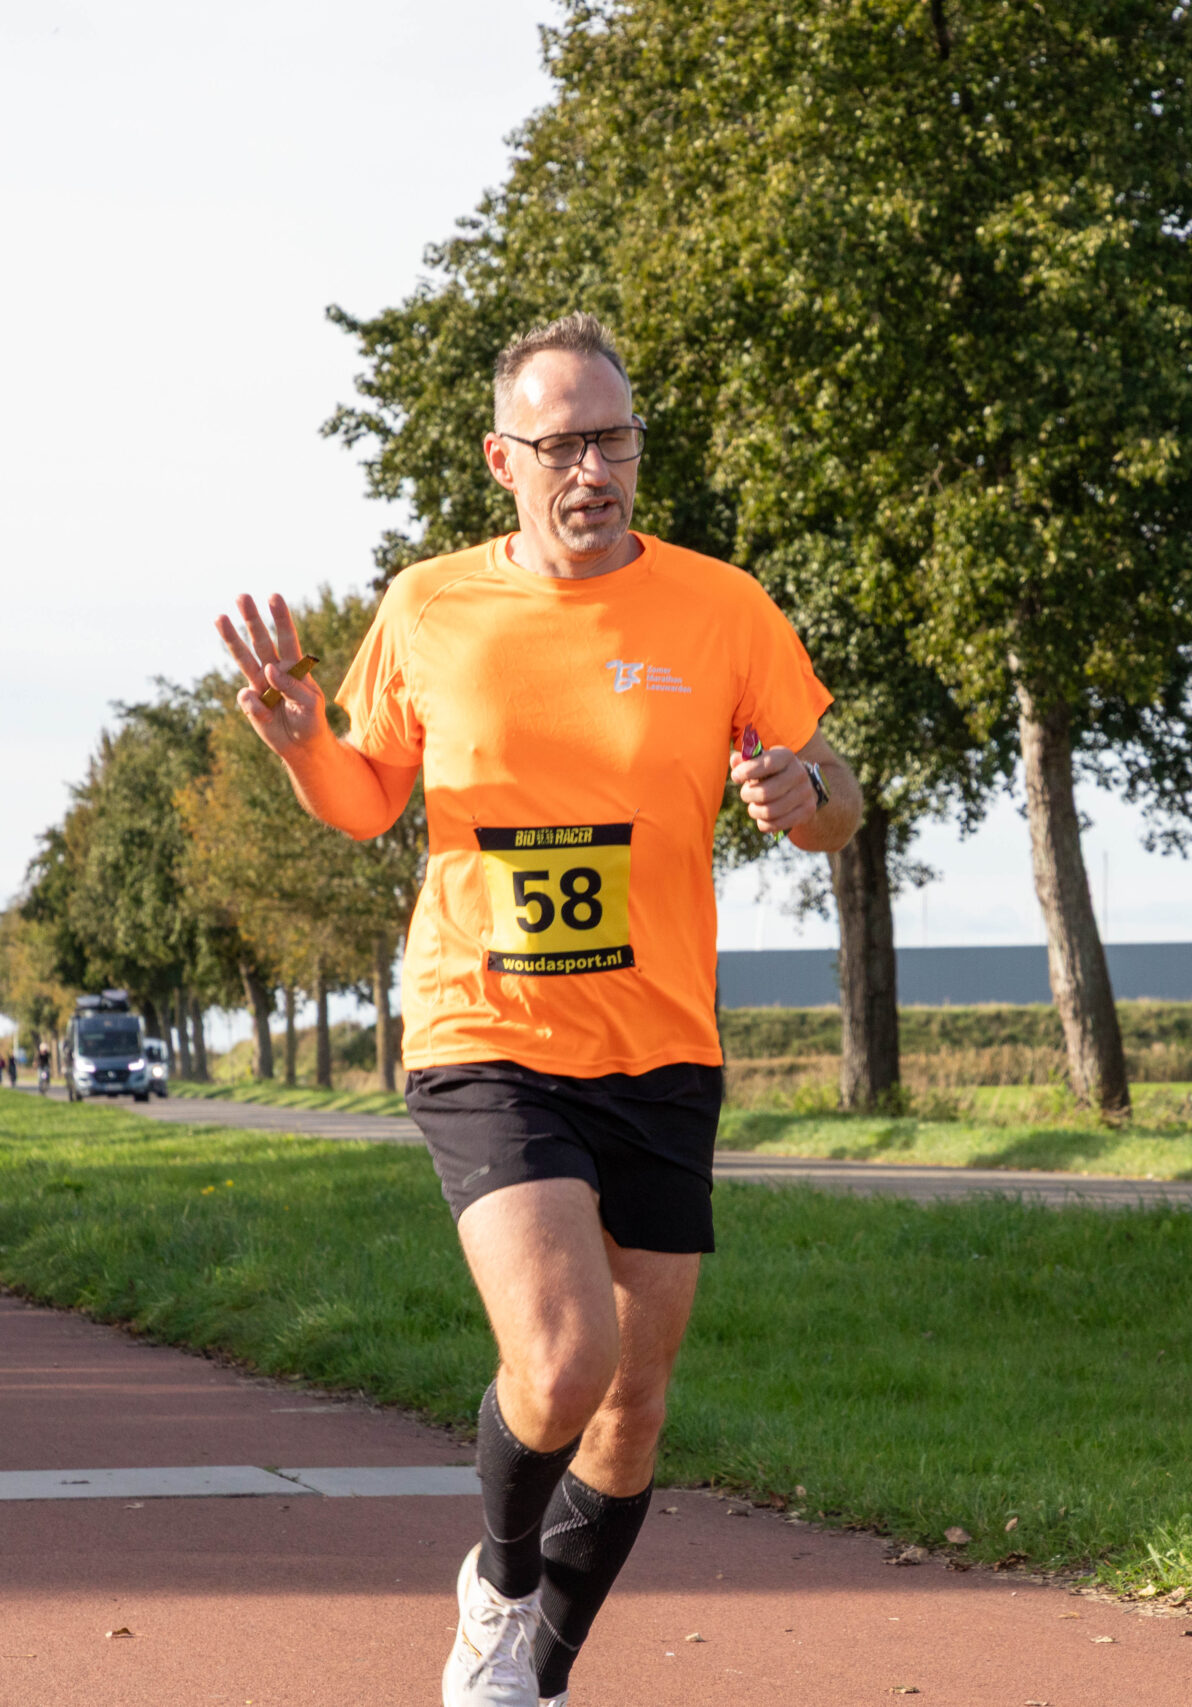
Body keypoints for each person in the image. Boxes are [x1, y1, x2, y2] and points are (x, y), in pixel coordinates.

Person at [216, 312, 860, 1707]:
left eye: (613, 439)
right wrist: (304, 744)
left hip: (663, 1045)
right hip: (485, 1031)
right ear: (501, 459)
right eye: (562, 444)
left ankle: (538, 1672)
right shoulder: (430, 605)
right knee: (566, 1361)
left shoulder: (722, 607)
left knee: (633, 1407)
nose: (593, 469)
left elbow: (836, 794)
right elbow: (364, 801)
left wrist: (807, 793)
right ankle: (500, 1583)